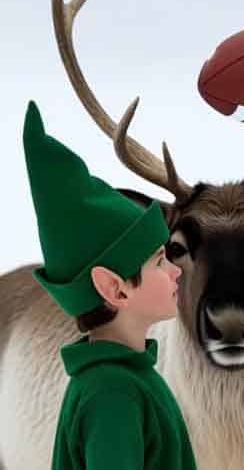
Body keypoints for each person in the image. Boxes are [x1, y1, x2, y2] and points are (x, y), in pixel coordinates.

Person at [21, 101, 198, 470]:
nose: (176, 271)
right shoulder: (112, 393)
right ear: (114, 289)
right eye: (159, 261)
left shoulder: (130, 378)